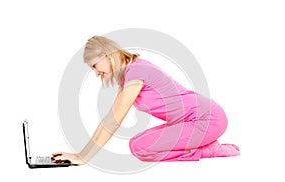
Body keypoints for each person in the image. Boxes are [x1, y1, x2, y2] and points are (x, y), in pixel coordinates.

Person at [52, 36, 240, 165]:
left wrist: (85, 157)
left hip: (207, 119)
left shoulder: (136, 72)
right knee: (138, 145)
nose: (95, 73)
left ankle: (208, 150)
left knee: (141, 147)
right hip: (191, 121)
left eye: (94, 65)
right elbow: (108, 120)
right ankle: (202, 145)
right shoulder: (129, 75)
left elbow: (114, 121)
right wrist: (80, 155)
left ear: (106, 56)